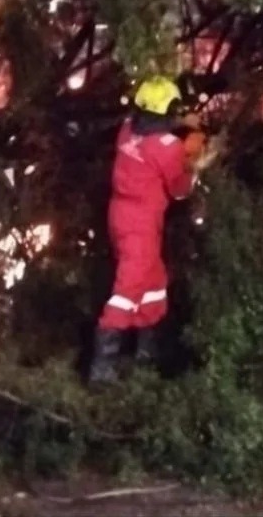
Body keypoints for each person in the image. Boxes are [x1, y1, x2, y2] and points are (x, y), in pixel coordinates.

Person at [88, 75, 214, 384]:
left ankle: (148, 354)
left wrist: (185, 124)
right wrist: (195, 167)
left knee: (154, 282)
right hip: (141, 226)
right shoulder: (168, 148)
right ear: (168, 110)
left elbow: (154, 130)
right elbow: (179, 190)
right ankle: (102, 371)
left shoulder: (127, 130)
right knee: (125, 293)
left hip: (119, 215)